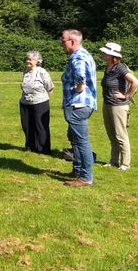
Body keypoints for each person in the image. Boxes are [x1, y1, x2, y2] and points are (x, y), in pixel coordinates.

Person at [60, 29, 98, 187]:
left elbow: (80, 76)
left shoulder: (78, 57)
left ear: (72, 42)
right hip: (81, 105)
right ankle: (78, 171)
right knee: (76, 140)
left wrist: (79, 88)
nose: (61, 44)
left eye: (63, 41)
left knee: (82, 142)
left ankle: (86, 178)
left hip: (78, 105)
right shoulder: (84, 54)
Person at [99, 42, 138, 171]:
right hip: (107, 104)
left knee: (120, 135)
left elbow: (135, 82)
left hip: (119, 106)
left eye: (104, 52)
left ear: (112, 55)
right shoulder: (108, 67)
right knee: (112, 135)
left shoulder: (120, 68)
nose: (101, 54)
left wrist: (126, 95)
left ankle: (125, 164)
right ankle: (113, 161)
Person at [19, 51, 54, 154]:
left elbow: (50, 88)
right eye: (27, 59)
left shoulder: (42, 72)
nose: (28, 61)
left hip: (40, 102)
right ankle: (30, 146)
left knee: (40, 126)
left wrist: (45, 100)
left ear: (37, 61)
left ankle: (43, 149)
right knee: (27, 125)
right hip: (25, 102)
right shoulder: (25, 71)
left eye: (31, 59)